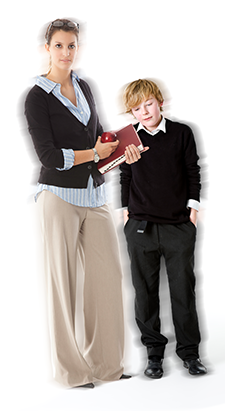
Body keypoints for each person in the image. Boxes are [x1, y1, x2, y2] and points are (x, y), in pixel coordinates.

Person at [24, 19, 139, 389]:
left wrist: (122, 153)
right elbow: (48, 156)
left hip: (94, 194)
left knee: (108, 279)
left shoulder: (84, 85)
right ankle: (71, 373)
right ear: (47, 48)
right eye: (59, 46)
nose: (66, 52)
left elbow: (99, 135)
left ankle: (108, 365)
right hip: (57, 196)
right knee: (63, 285)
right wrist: (93, 152)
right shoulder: (37, 97)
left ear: (78, 47)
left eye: (71, 45)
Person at [119, 79, 207, 379]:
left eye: (148, 104)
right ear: (131, 112)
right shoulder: (129, 139)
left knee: (183, 291)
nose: (144, 111)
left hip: (178, 225)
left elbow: (192, 169)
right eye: (136, 108)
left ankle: (190, 354)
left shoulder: (182, 133)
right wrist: (125, 213)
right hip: (141, 226)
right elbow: (125, 176)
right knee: (145, 293)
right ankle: (153, 354)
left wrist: (193, 207)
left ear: (159, 102)